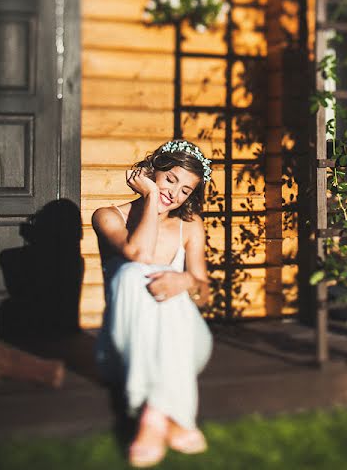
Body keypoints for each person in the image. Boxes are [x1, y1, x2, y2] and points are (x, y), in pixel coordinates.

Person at [92, 139, 214, 467]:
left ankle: (152, 418)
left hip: (186, 343)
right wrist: (149, 198)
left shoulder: (190, 226)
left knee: (170, 284)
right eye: (169, 179)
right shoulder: (108, 217)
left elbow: (204, 292)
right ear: (151, 172)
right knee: (134, 274)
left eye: (186, 190)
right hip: (125, 348)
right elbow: (140, 254)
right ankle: (166, 416)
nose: (174, 194)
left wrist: (185, 281)